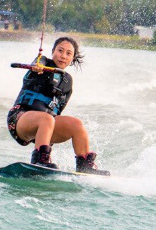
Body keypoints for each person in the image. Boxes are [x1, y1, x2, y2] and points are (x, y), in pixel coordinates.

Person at [6, 36, 107, 174]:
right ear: (53, 51)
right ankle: (39, 160)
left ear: (72, 58)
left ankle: (85, 166)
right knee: (46, 119)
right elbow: (38, 60)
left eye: (68, 53)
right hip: (20, 119)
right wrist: (38, 66)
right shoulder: (40, 64)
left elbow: (56, 113)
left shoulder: (67, 82)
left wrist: (46, 144)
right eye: (60, 50)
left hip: (45, 124)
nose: (63, 56)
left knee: (76, 124)